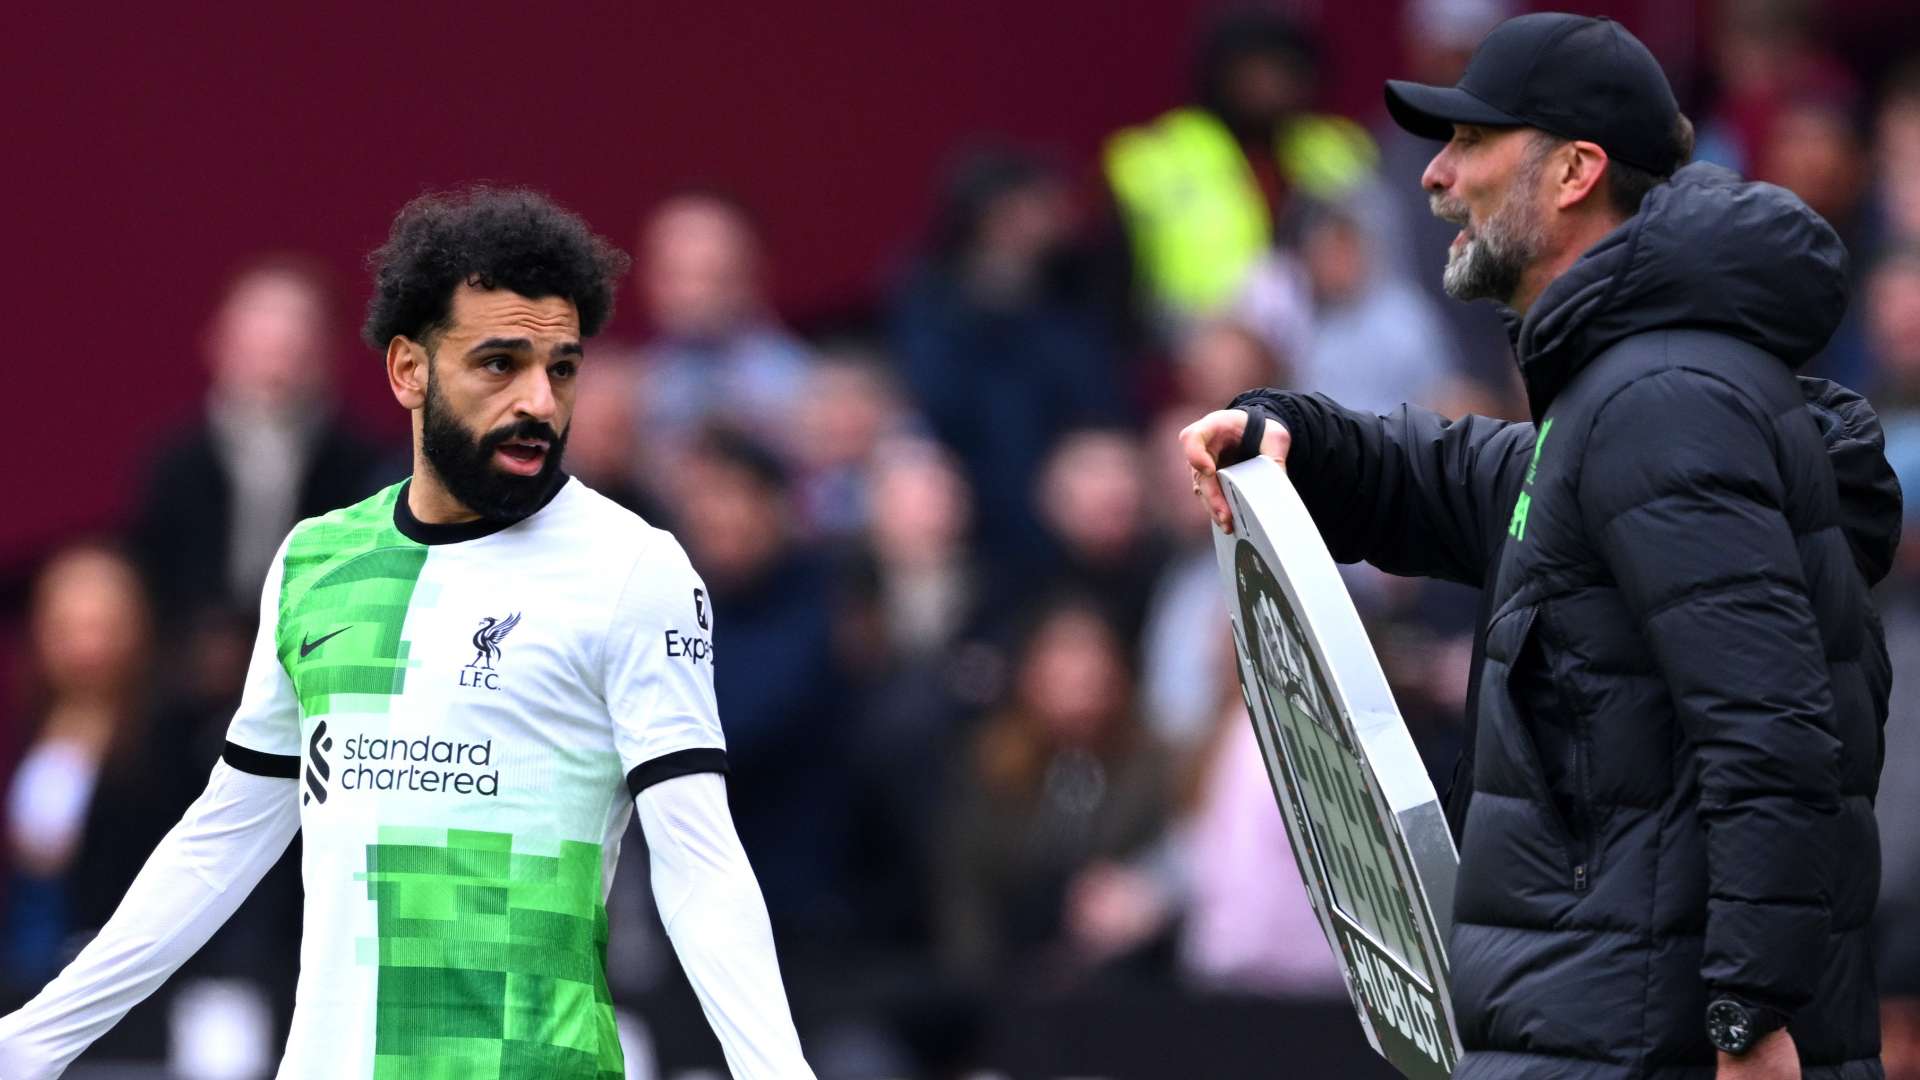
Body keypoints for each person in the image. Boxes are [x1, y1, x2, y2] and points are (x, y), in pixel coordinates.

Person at [1181, 13, 1895, 1079]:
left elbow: (1771, 733)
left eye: (1472, 143)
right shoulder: (1636, 389)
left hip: (1647, 1045)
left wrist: (1750, 1018)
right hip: (1608, 1026)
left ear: (1574, 170)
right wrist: (1298, 437)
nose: (1434, 179)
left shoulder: (1661, 398)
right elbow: (1481, 483)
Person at [0, 187, 814, 1078]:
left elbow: (701, 862)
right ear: (407, 371)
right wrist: (30, 1043)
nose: (540, 401)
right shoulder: (316, 560)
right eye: (500, 363)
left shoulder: (632, 568)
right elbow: (221, 843)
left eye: (563, 367)